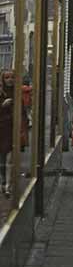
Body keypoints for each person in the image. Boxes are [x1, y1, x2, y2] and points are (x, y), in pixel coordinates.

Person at [0, 70, 28, 198]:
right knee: (2, 158)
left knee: (10, 158)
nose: (9, 80)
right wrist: (3, 105)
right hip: (2, 129)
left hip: (13, 129)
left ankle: (8, 186)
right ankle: (3, 180)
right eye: (7, 77)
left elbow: (23, 113)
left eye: (12, 77)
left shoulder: (18, 94)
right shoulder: (1, 93)